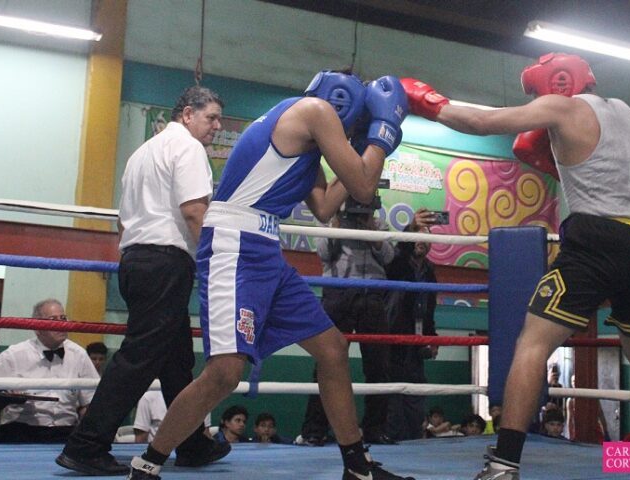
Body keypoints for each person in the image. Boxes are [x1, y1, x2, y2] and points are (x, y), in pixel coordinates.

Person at [401, 52, 630, 480]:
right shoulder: (626, 112)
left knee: (532, 344)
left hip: (597, 239)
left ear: (555, 84)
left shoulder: (562, 107)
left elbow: (481, 121)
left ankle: (503, 465)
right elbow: (597, 166)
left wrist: (426, 101)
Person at [127, 69, 413, 480]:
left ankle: (357, 467)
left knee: (332, 348)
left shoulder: (306, 133)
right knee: (225, 374)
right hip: (233, 243)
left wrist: (360, 152)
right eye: (361, 119)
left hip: (264, 248)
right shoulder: (315, 111)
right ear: (345, 104)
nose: (358, 129)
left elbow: (325, 207)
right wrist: (382, 136)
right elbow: (366, 188)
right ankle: (146, 465)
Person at [57, 85, 231, 475]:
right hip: (164, 261)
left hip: (137, 260)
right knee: (139, 358)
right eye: (212, 117)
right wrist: (215, 264)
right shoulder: (188, 149)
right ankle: (85, 445)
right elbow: (194, 212)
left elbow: (124, 220)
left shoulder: (142, 153)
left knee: (176, 360)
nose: (217, 126)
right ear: (188, 114)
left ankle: (191, 442)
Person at [299, 205, 395, 446]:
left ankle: (375, 429)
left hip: (373, 294)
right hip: (338, 292)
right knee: (327, 361)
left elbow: (389, 257)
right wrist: (337, 224)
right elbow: (323, 253)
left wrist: (371, 229)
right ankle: (314, 431)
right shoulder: (329, 221)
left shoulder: (378, 224)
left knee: (378, 364)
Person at [0, 299, 99, 443]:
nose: (62, 324)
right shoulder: (15, 354)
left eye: (63, 318)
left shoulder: (78, 354)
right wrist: (4, 390)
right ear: (37, 327)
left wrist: (90, 429)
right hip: (21, 430)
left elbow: (91, 401)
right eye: (53, 319)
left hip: (65, 431)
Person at [385, 208, 439, 441]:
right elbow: (400, 251)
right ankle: (393, 440)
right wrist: (411, 228)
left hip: (417, 342)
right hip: (394, 336)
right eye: (417, 236)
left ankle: (414, 442)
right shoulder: (397, 263)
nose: (421, 242)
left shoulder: (429, 271)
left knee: (415, 395)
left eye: (426, 238)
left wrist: (432, 337)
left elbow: (429, 308)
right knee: (393, 395)